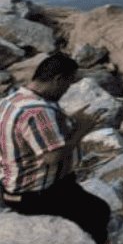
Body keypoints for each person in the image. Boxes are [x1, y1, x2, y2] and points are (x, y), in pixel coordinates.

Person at [0, 52, 110, 243]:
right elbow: (52, 156)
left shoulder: (12, 100)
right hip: (35, 194)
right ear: (58, 80)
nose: (67, 89)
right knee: (98, 214)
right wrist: (82, 130)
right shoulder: (38, 111)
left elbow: (33, 137)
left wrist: (71, 122)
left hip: (16, 184)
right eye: (68, 84)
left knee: (93, 205)